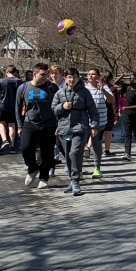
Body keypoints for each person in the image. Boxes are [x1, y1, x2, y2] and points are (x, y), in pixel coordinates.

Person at [52, 68, 96, 197]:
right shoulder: (59, 93)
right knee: (68, 156)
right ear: (65, 78)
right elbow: (53, 109)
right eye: (69, 77)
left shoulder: (85, 93)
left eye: (74, 77)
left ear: (78, 78)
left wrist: (94, 126)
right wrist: (62, 107)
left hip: (80, 127)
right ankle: (72, 180)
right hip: (64, 128)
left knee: (75, 152)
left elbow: (92, 110)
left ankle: (76, 181)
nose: (72, 79)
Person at [15, 62, 59, 188]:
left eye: (47, 74)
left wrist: (58, 125)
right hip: (30, 123)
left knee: (47, 154)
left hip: (48, 124)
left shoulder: (52, 88)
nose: (46, 77)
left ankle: (44, 177)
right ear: (34, 74)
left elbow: (59, 106)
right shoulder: (23, 88)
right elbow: (17, 108)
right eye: (43, 74)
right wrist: (19, 125)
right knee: (25, 148)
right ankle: (32, 168)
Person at [84, 69, 108, 178]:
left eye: (93, 74)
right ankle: (79, 170)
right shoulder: (84, 88)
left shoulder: (103, 87)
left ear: (98, 76)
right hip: (84, 121)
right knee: (80, 145)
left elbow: (112, 100)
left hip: (100, 121)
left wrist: (103, 90)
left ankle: (97, 168)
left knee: (97, 145)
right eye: (89, 74)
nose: (90, 76)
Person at [0, 65, 24, 153]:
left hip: (3, 105)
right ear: (15, 72)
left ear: (7, 72)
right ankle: (12, 146)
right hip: (14, 106)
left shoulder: (2, 81)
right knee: (12, 126)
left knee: (1, 122)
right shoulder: (19, 82)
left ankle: (4, 140)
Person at [119, 72, 136, 161]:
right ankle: (127, 153)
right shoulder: (128, 88)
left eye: (131, 78)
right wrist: (122, 76)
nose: (129, 80)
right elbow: (116, 82)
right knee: (128, 134)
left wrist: (127, 107)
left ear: (135, 80)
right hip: (127, 115)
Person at [101, 72, 116, 157]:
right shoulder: (112, 88)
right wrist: (116, 115)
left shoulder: (97, 86)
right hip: (109, 111)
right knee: (108, 131)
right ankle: (106, 150)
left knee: (96, 130)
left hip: (98, 111)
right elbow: (114, 102)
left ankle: (88, 147)